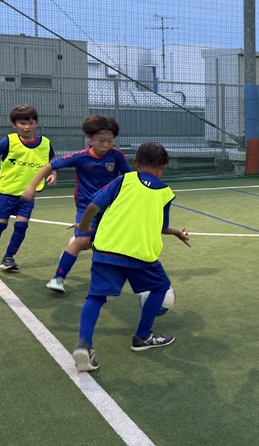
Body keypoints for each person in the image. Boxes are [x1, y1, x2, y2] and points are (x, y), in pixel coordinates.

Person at [71, 142, 189, 372]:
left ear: (135, 162)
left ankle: (84, 344)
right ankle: (142, 337)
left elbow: (93, 205)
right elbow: (160, 226)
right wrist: (176, 232)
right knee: (160, 287)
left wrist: (84, 226)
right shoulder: (165, 192)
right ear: (164, 166)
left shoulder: (123, 180)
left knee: (95, 297)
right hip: (140, 254)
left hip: (106, 249)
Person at [22, 115, 130, 293]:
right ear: (89, 138)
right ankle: (58, 278)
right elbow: (50, 166)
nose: (106, 145)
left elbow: (129, 177)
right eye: (101, 140)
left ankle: (76, 250)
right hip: (86, 208)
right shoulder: (80, 157)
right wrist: (32, 186)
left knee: (101, 244)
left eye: (110, 141)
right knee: (83, 240)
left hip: (109, 209)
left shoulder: (116, 156)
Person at [0, 105, 55, 273]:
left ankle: (8, 257)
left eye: (31, 123)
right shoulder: (9, 141)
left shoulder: (45, 143)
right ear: (14, 124)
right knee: (0, 225)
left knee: (21, 226)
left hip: (28, 195)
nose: (27, 127)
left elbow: (52, 160)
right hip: (7, 192)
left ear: (36, 123)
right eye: (22, 123)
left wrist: (53, 173)